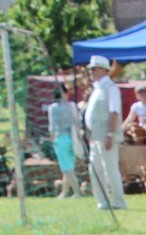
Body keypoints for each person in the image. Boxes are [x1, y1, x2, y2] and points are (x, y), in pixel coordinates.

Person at [83, 55, 127, 211]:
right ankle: (102, 201)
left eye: (94, 69)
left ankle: (118, 201)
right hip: (95, 137)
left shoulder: (111, 88)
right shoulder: (96, 89)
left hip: (106, 136)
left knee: (110, 169)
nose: (91, 72)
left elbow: (114, 113)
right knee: (95, 170)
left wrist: (109, 134)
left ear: (103, 70)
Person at [48, 85, 80, 199]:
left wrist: (52, 140)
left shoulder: (53, 108)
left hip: (61, 138)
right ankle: (65, 191)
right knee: (69, 165)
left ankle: (77, 191)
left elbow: (52, 126)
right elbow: (78, 123)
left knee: (67, 167)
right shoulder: (72, 106)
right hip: (74, 138)